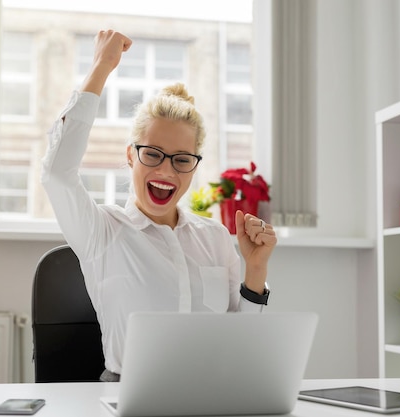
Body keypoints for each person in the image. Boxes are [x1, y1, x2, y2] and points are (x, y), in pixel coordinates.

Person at [41, 30, 277, 382]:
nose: (165, 171)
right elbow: (58, 172)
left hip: (208, 393)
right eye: (152, 154)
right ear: (130, 156)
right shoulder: (102, 231)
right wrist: (101, 68)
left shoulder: (213, 237)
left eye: (181, 159)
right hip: (129, 392)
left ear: (195, 165)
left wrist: (255, 271)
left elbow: (239, 343)